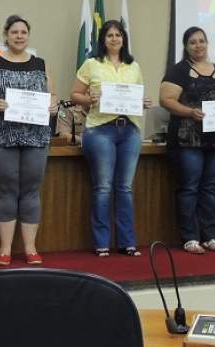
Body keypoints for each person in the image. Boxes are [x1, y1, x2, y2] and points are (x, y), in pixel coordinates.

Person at [0, 15, 55, 266]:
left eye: (23, 32)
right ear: (6, 35)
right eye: (14, 32)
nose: (19, 36)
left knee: (31, 190)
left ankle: (30, 248)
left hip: (35, 136)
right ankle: (5, 249)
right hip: (2, 134)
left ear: (28, 36)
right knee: (6, 189)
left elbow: (52, 94)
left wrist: (52, 105)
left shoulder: (40, 63)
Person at [71, 20, 151, 257]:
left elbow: (137, 97)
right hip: (101, 129)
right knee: (103, 187)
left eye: (118, 35)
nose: (114, 39)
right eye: (109, 35)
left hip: (130, 130)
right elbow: (75, 94)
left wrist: (143, 102)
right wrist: (89, 99)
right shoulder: (91, 64)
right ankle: (102, 243)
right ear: (103, 40)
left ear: (124, 39)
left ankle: (127, 242)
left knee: (125, 188)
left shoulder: (133, 66)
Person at [160, 27, 215, 254]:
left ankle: (209, 236)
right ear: (186, 46)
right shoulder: (178, 71)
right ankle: (190, 237)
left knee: (210, 188)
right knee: (189, 187)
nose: (198, 45)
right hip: (187, 140)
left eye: (202, 41)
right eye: (193, 42)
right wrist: (189, 112)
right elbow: (165, 100)